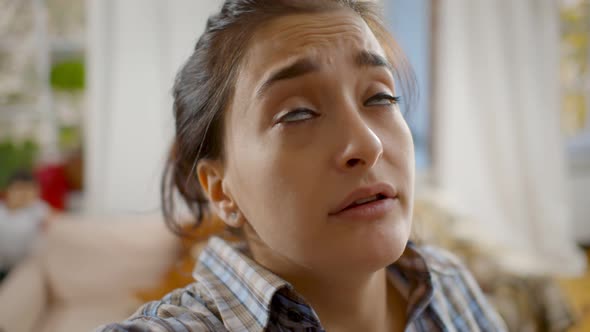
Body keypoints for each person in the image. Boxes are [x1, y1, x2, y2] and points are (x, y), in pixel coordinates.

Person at [98, 0, 507, 331]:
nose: (369, 144)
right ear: (221, 190)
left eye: (379, 98)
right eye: (296, 114)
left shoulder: (447, 283)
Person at [0, 170, 51, 282]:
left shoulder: (38, 210)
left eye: (29, 189)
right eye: (19, 188)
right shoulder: (2, 211)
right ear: (8, 190)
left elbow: (52, 223)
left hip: (26, 272)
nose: (24, 194)